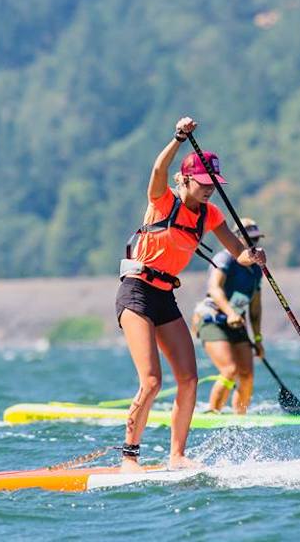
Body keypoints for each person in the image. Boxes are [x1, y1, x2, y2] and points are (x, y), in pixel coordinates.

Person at [115, 116, 267, 472]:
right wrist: (179, 138)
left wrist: (252, 256)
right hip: (136, 293)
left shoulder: (211, 214)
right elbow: (158, 167)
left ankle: (177, 455)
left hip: (165, 296)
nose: (210, 188)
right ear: (183, 180)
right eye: (202, 182)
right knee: (151, 380)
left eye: (214, 182)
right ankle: (129, 457)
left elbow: (235, 250)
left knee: (189, 378)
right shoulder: (162, 200)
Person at [191, 218, 266, 415]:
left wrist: (257, 339)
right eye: (251, 240)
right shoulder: (225, 259)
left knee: (247, 375)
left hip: (236, 323)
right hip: (212, 319)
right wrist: (231, 312)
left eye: (257, 240)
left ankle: (239, 419)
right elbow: (214, 288)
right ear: (237, 238)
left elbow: (255, 308)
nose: (255, 245)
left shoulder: (256, 269)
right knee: (230, 370)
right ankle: (213, 412)